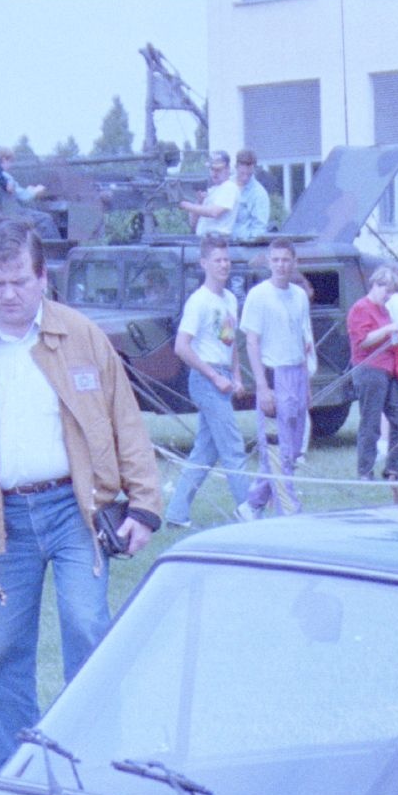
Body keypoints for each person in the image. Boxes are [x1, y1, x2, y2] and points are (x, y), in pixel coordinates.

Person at [0, 220, 161, 765]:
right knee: (7, 653)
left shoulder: (82, 337)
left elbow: (125, 419)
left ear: (43, 277)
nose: (9, 294)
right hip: (1, 521)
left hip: (76, 510)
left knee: (88, 628)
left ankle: (93, 766)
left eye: (20, 280)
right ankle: (17, 777)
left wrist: (143, 505)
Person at [165, 235, 254, 527]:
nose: (224, 265)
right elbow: (182, 347)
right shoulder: (198, 301)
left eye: (227, 259)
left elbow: (231, 343)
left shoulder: (229, 299)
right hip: (205, 380)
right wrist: (215, 376)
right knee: (233, 447)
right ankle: (248, 509)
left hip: (224, 377)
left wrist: (236, 376)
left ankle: (176, 513)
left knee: (205, 450)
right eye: (217, 260)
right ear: (204, 263)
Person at [240, 236, 314, 517]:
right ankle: (289, 512)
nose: (281, 265)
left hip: (296, 373)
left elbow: (303, 342)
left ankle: (252, 504)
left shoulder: (298, 297)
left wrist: (305, 383)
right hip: (273, 374)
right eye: (276, 260)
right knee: (276, 449)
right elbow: (251, 342)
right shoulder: (259, 296)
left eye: (286, 260)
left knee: (292, 450)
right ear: (269, 262)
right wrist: (262, 387)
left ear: (294, 262)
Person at [348, 263, 398, 484]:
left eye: (391, 293)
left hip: (391, 369)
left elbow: (385, 339)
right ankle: (365, 472)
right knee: (371, 422)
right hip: (369, 370)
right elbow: (363, 342)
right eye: (386, 291)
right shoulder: (360, 308)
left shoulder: (385, 311)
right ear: (376, 284)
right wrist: (389, 330)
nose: (388, 297)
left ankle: (394, 470)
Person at [188, 150, 239, 237]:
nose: (215, 173)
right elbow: (193, 224)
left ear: (227, 169)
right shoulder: (211, 190)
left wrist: (187, 205)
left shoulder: (230, 187)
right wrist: (199, 202)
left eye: (218, 169)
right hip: (204, 241)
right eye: (212, 169)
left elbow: (214, 213)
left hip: (218, 242)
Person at [229, 151, 276, 242]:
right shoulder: (226, 185)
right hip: (222, 242)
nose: (246, 175)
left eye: (249, 172)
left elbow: (259, 229)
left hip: (243, 245)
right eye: (243, 172)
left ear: (254, 169)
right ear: (236, 167)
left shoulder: (259, 194)